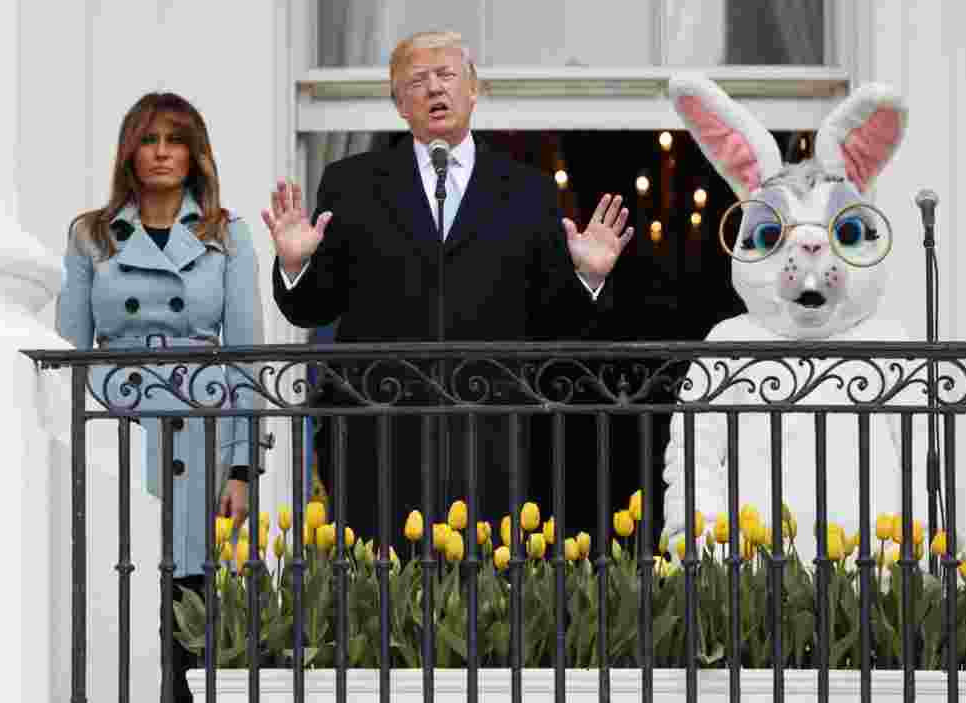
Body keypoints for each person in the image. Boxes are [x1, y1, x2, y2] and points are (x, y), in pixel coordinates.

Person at [265, 31, 633, 550]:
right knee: (381, 607)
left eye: (446, 76)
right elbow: (315, 307)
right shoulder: (352, 184)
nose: (434, 89)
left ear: (474, 90)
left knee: (484, 608)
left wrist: (589, 277)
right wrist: (294, 263)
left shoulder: (527, 191)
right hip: (380, 432)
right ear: (399, 104)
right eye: (417, 81)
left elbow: (555, 324)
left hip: (492, 432)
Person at [56, 92, 263, 703]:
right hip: (116, 425)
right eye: (149, 139)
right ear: (130, 152)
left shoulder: (227, 234)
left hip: (199, 431)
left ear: (196, 154)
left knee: (191, 601)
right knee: (116, 584)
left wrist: (244, 468)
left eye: (176, 140)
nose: (163, 152)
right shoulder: (90, 234)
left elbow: (247, 354)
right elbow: (71, 347)